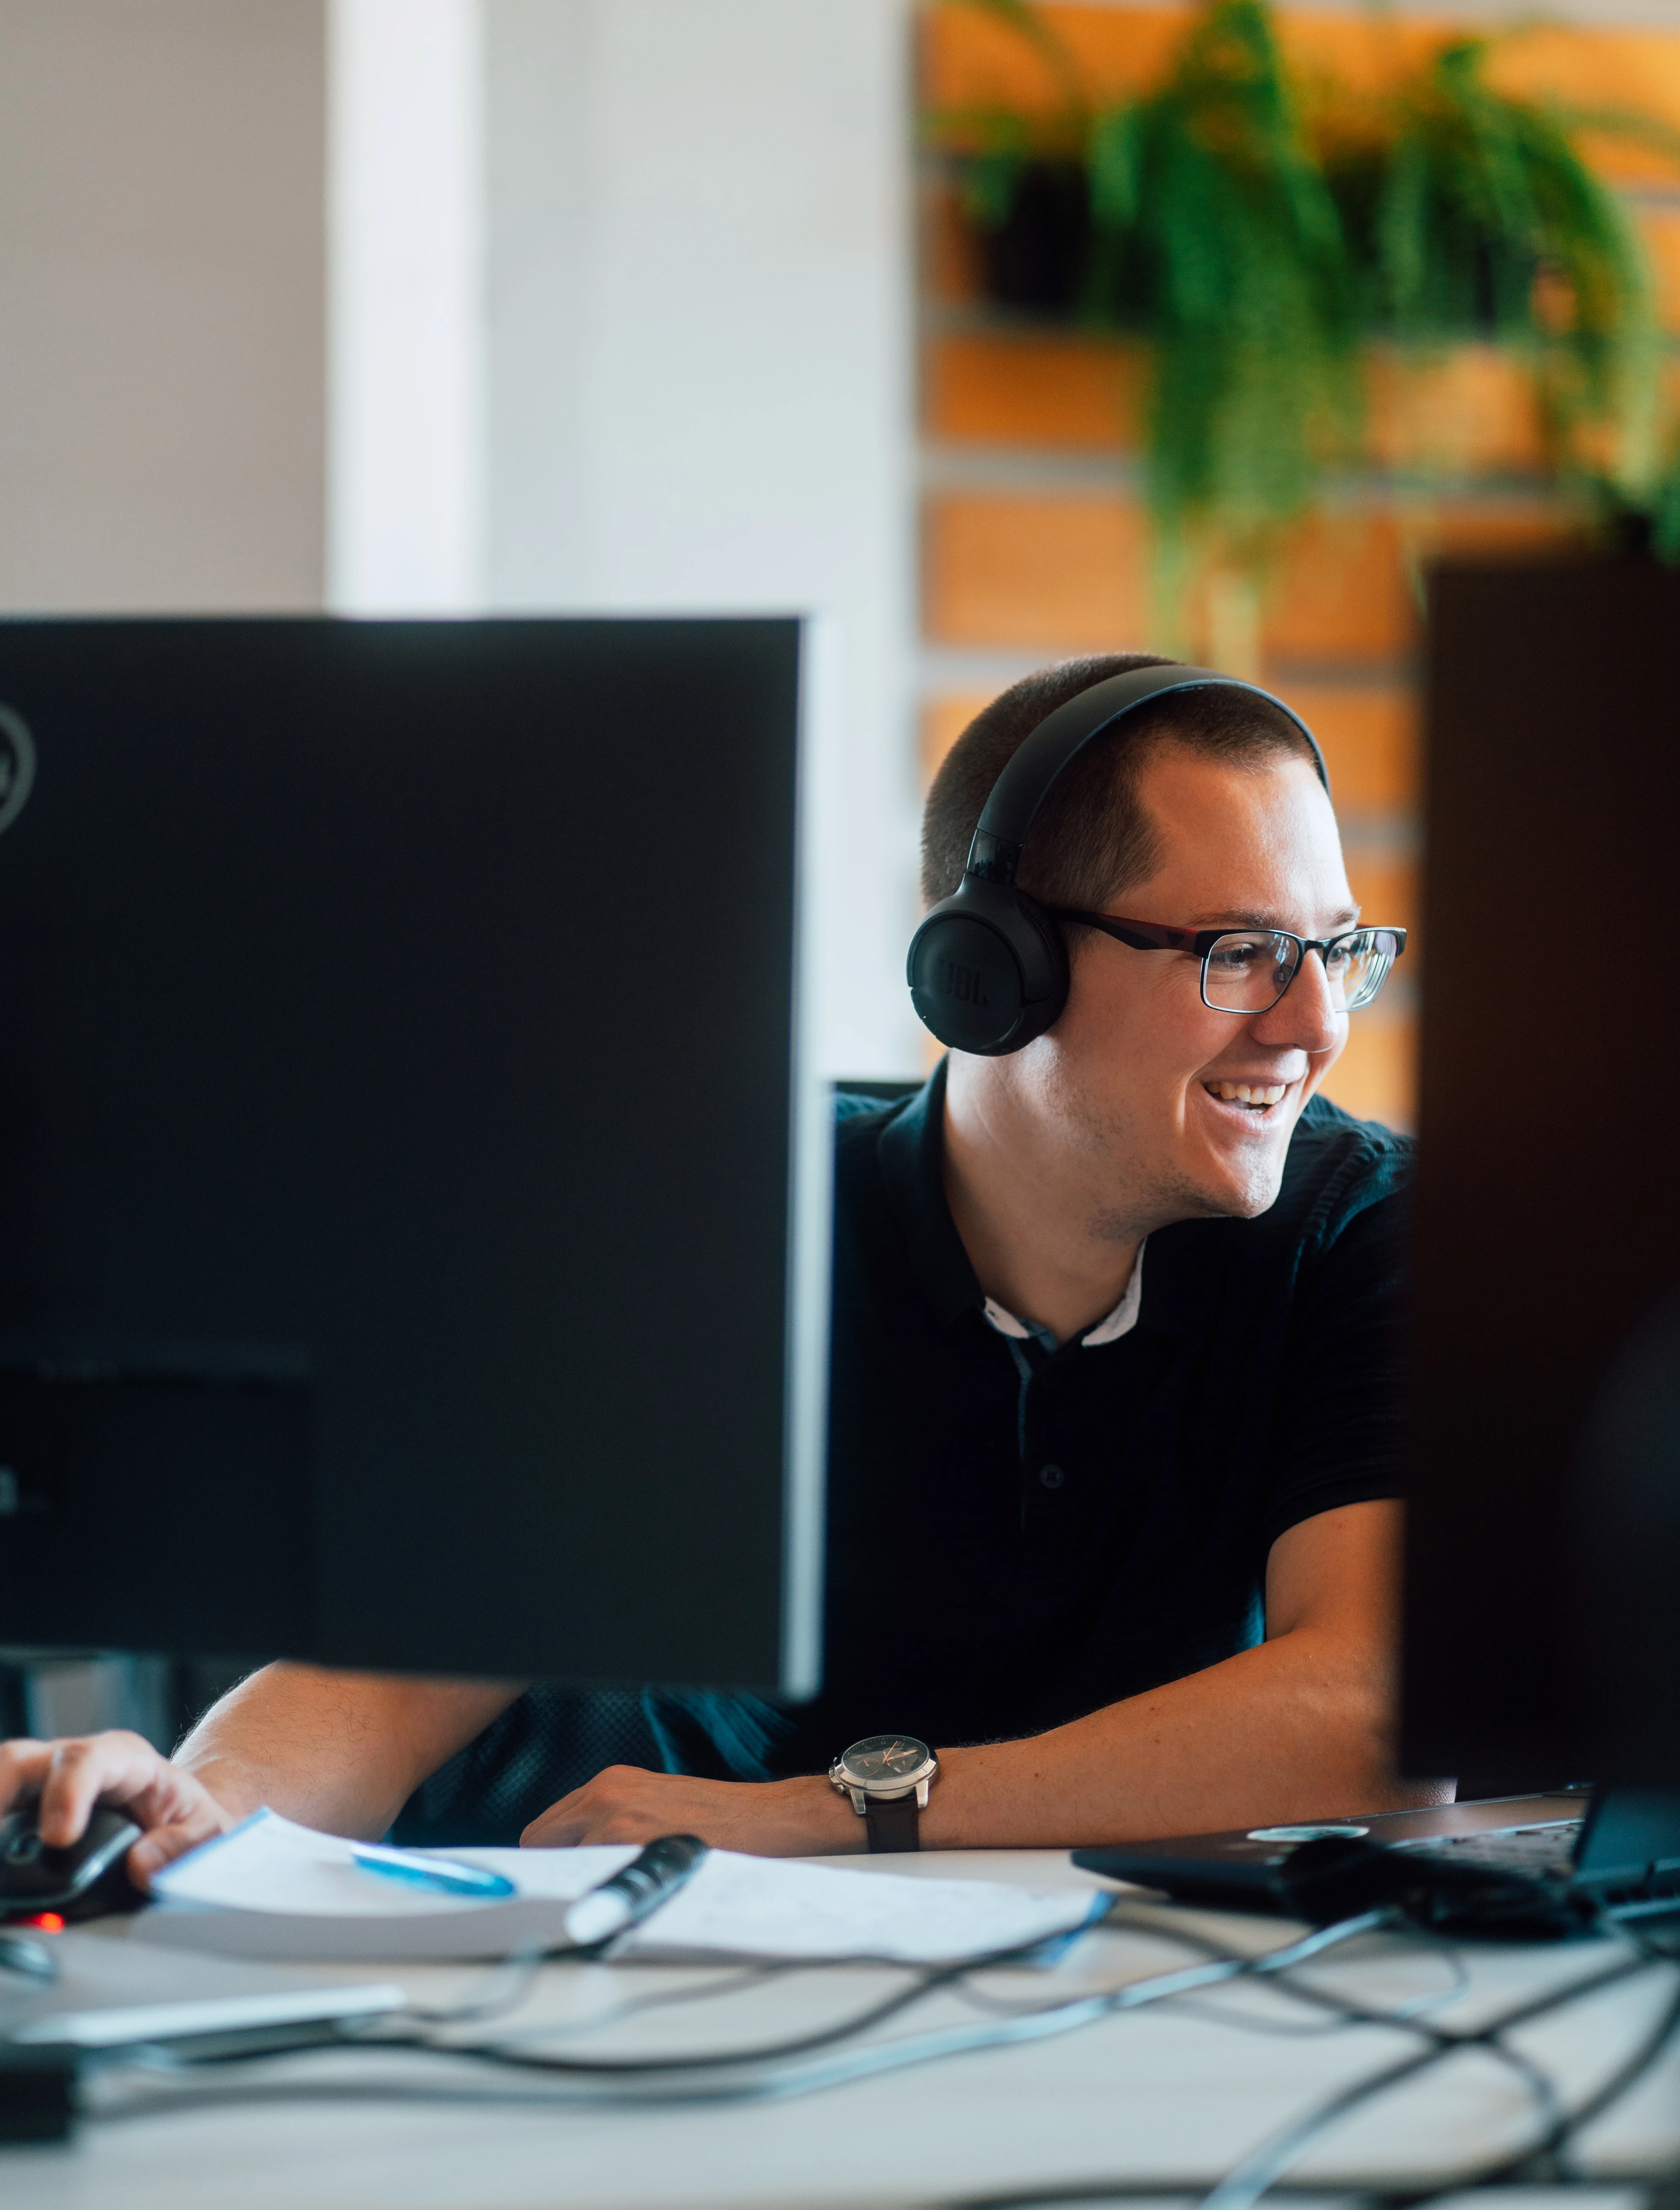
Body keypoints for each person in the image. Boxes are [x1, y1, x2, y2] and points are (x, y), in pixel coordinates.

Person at [0, 651, 1446, 1881]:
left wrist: (828, 1819)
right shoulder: (722, 1210)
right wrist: (185, 1824)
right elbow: (388, 1687)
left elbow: (1388, 1714)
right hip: (669, 1993)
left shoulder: (1362, 1226)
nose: (1316, 1024)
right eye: (1244, 952)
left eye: (1340, 950)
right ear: (996, 975)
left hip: (1139, 2007)